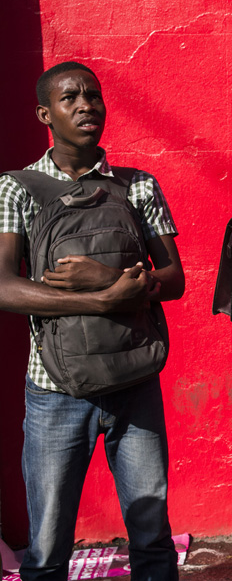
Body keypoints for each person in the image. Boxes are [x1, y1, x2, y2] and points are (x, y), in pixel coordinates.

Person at [0, 61, 185, 581]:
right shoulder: (17, 190)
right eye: (70, 98)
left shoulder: (138, 186)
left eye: (93, 96)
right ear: (45, 114)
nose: (86, 105)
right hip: (55, 389)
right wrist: (105, 300)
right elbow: (3, 287)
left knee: (152, 538)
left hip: (134, 380)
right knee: (46, 547)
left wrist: (104, 276)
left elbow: (173, 280)